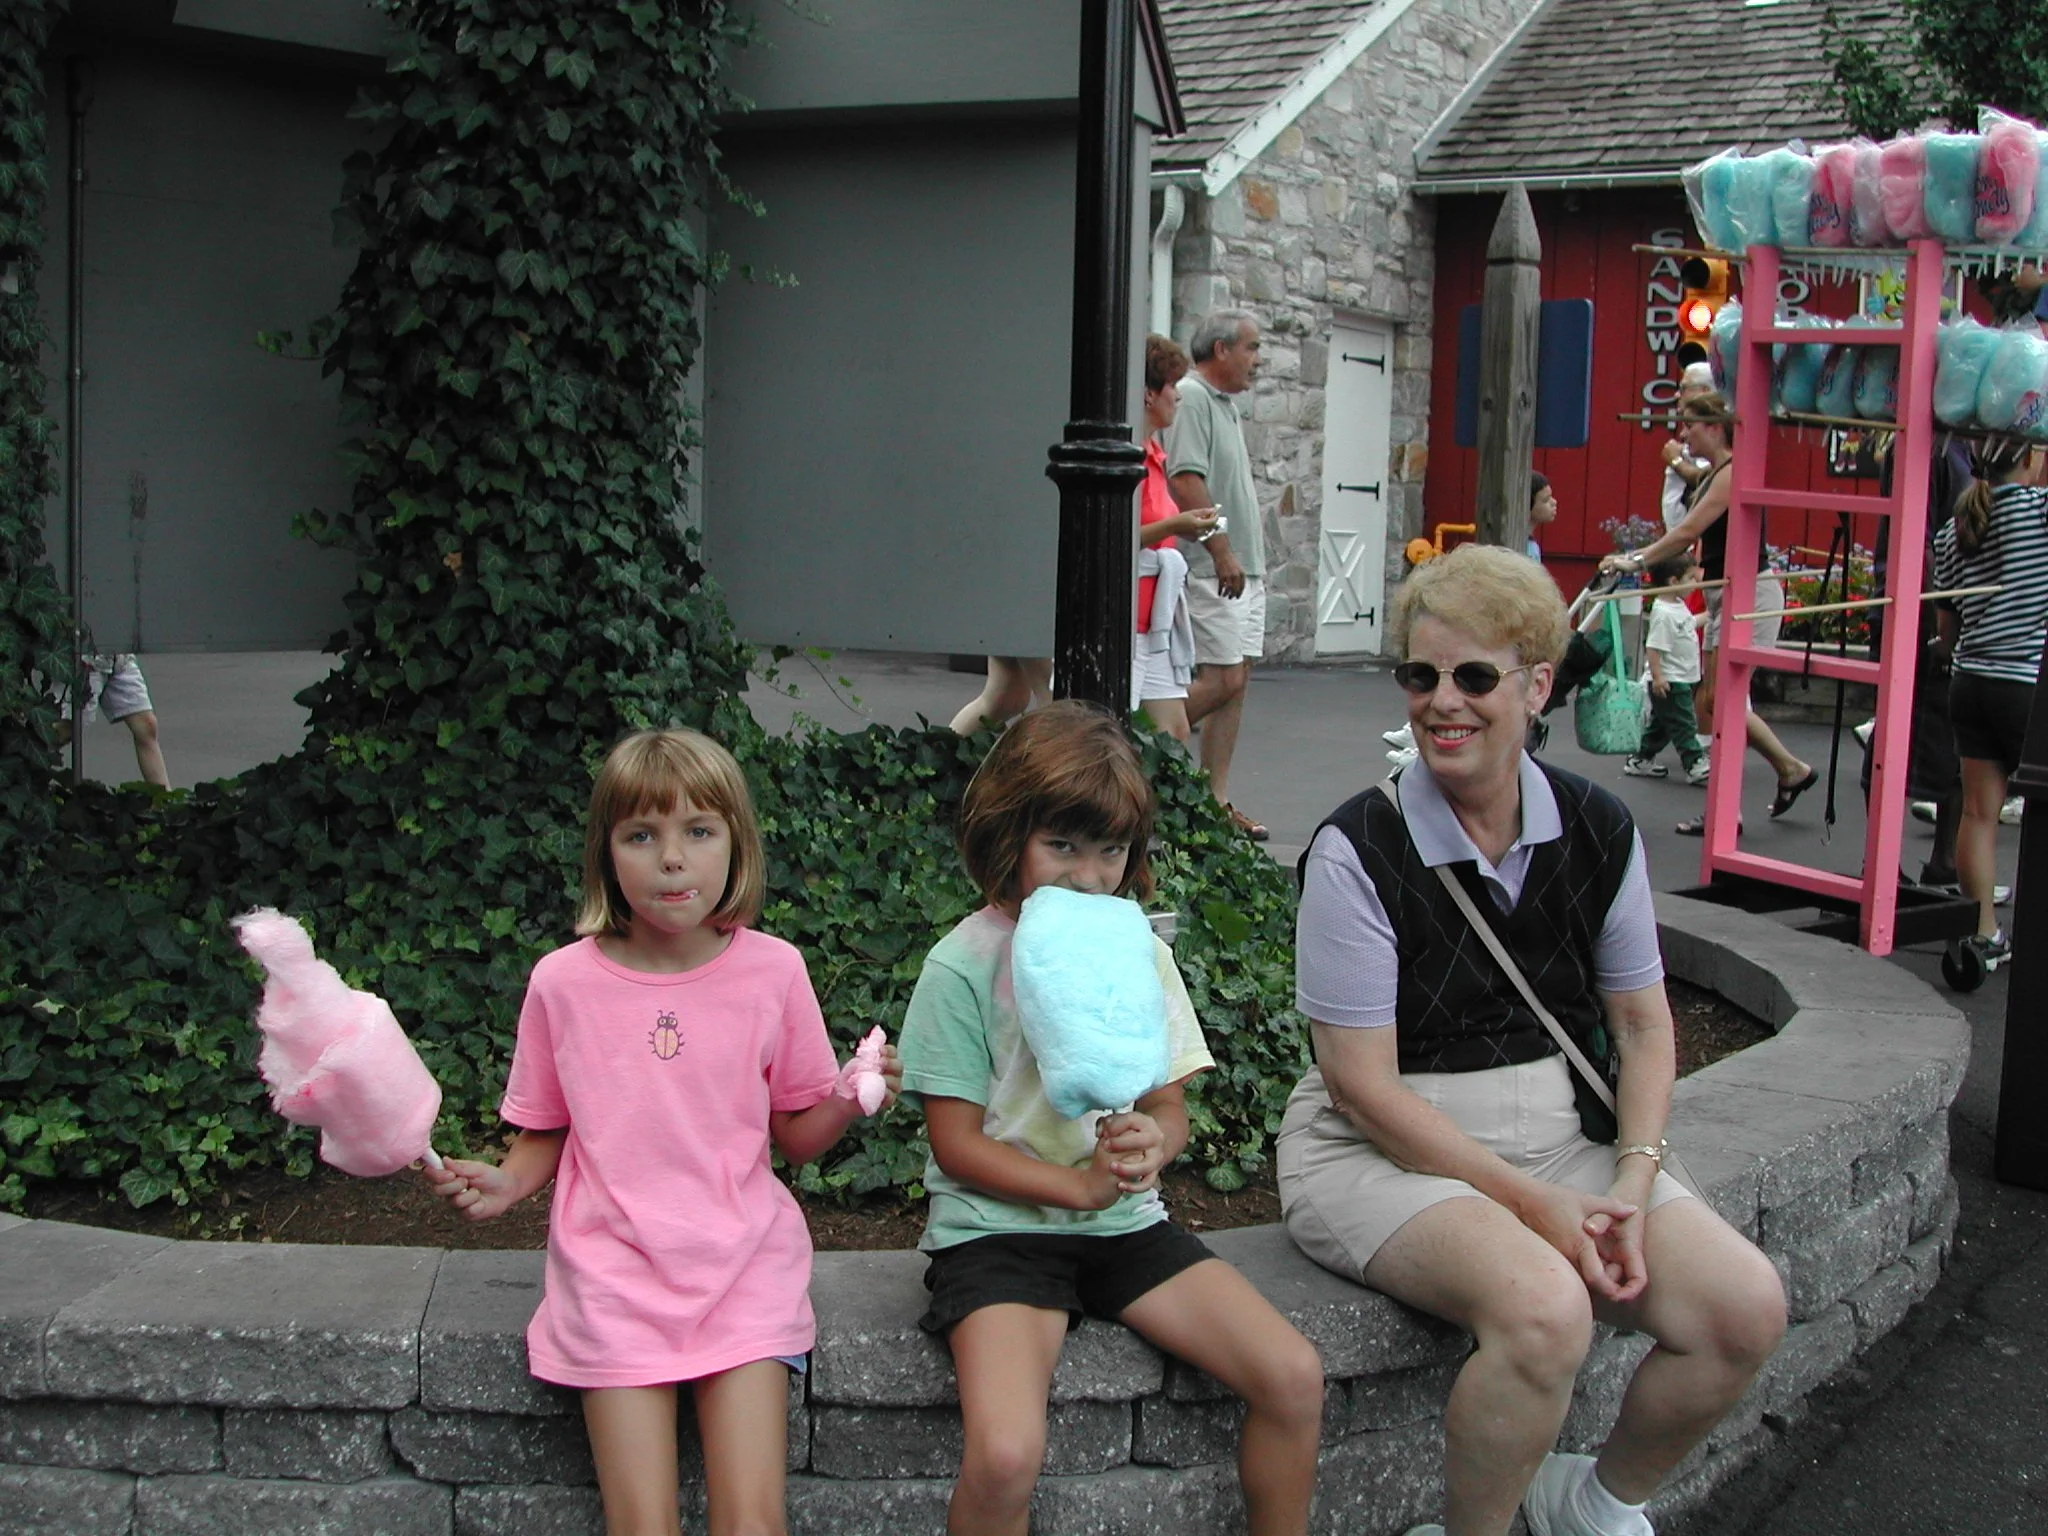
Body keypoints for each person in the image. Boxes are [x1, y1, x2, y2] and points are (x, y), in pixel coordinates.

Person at [1279, 544, 1785, 1536]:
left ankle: (1588, 1505)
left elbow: (1641, 1026)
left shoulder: (1596, 826)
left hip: (1559, 1137)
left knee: (1742, 1310)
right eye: (1419, 677)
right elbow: (1359, 1090)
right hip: (1381, 1152)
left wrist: (1630, 1184)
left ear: (1535, 682)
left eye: (1472, 676)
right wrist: (1535, 1206)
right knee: (1545, 1308)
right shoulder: (1356, 849)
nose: (1440, 702)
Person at [425, 728, 900, 1536]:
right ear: (607, 854)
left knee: (752, 1523)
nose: (671, 858)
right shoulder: (562, 984)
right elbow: (546, 1128)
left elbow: (795, 1136)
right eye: (641, 835)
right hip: (613, 1278)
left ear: (736, 846)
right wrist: (507, 1181)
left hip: (743, 1273)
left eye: (698, 831)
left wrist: (853, 1098)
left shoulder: (774, 970)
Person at [898, 701, 1325, 1536]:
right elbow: (954, 1144)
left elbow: (1169, 1104)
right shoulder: (960, 967)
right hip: (995, 1232)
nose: (1090, 876)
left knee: (1293, 1376)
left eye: (1110, 851)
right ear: (1006, 837)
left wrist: (1151, 1143)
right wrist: (1073, 1186)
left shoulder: (1140, 953)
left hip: (1125, 1223)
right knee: (1006, 1454)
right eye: (1061, 845)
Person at [1601, 393, 1815, 836]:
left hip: (1748, 594)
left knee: (1721, 703)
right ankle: (1786, 771)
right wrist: (1678, 466)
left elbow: (1689, 530)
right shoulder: (1715, 472)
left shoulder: (1732, 472)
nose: (1682, 434)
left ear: (1715, 427)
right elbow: (1692, 494)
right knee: (1712, 703)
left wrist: (1636, 560)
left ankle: (1747, 797)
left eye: (1690, 426)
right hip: (1725, 596)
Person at [1929, 438, 2048, 971]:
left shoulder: (1954, 527)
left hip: (1970, 681)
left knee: (1979, 813)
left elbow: (1946, 625)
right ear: (2028, 457)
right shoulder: (2036, 509)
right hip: (2026, 683)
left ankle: (1984, 934)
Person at [1167, 308, 1269, 839]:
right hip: (1216, 570)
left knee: (1238, 681)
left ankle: (1214, 803)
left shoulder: (1224, 405)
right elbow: (1185, 481)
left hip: (1244, 569)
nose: (1258, 359)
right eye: (1252, 348)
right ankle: (1134, 742)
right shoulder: (1193, 398)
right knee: (1221, 678)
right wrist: (1223, 551)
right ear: (1222, 349)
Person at [1134, 333, 1219, 742]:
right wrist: (1175, 526)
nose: (1178, 396)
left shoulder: (1152, 453)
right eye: (1171, 386)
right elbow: (1115, 535)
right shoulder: (1129, 454)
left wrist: (1181, 524)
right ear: (1149, 394)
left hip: (1154, 620)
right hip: (1127, 619)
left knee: (1174, 732)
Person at [1622, 553, 1709, 786]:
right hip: (1670, 679)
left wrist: (1711, 616)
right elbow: (1654, 648)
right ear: (1673, 581)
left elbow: (1690, 624)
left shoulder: (1678, 606)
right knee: (1684, 724)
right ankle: (1695, 763)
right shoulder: (1663, 613)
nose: (1696, 582)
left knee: (1662, 725)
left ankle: (1641, 758)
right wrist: (1658, 678)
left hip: (1681, 677)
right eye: (1691, 578)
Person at [55, 651, 169, 788]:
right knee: (66, 729)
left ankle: (163, 801)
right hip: (85, 657)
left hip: (118, 655)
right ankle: (27, 775)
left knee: (146, 725)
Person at [1656, 363, 1716, 532]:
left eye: (1683, 388)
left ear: (1704, 391)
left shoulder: (1718, 429)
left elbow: (1710, 479)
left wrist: (1676, 461)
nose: (1677, 395)